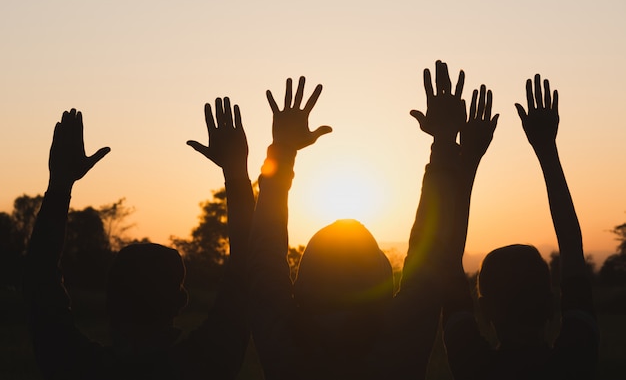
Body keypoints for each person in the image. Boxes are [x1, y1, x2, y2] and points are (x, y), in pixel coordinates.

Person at [248, 62, 473, 379]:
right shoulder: (399, 347)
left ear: (302, 287)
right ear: (382, 287)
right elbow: (432, 248)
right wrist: (446, 141)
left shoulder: (284, 350)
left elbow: (264, 254)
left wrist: (283, 151)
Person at [23, 101, 254, 380]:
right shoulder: (205, 364)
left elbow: (40, 276)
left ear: (110, 302)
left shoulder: (74, 365)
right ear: (180, 302)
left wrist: (60, 183)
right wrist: (236, 173)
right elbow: (246, 269)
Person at [442, 75, 599, 379]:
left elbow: (447, 257)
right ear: (552, 303)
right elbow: (571, 247)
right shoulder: (576, 360)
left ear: (485, 311)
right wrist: (546, 149)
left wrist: (469, 159)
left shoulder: (472, 366)